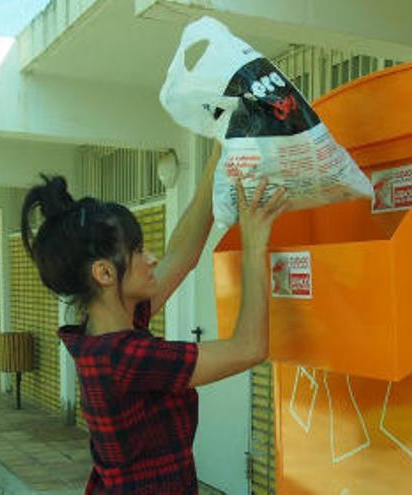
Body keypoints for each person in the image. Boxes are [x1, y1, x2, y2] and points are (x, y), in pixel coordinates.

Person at [20, 144, 288, 494]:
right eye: (137, 252)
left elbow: (183, 253)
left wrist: (219, 154)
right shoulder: (124, 357)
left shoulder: (105, 330)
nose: (151, 259)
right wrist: (254, 245)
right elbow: (249, 348)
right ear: (104, 272)